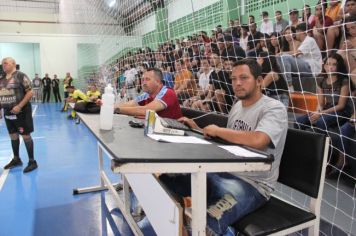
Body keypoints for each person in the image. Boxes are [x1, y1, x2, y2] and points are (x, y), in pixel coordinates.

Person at [159, 59, 288, 235]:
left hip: (253, 184)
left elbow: (259, 139)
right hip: (224, 171)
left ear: (259, 81)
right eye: (233, 79)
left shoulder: (274, 108)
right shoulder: (237, 106)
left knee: (203, 224)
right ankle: (175, 223)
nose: (237, 83)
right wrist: (197, 129)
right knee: (166, 179)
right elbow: (230, 141)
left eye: (244, 78)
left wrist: (219, 130)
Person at [295, 53, 351, 133]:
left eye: (334, 65)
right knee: (299, 121)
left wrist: (321, 113)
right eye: (328, 64)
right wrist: (317, 112)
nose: (330, 67)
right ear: (324, 66)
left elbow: (341, 105)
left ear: (339, 66)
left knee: (321, 122)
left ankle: (324, 143)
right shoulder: (321, 80)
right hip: (326, 109)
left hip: (341, 111)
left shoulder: (344, 81)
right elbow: (321, 103)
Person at [0, 57, 38, 173]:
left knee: (25, 135)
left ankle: (32, 162)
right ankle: (16, 159)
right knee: (13, 135)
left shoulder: (21, 76)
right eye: (2, 64)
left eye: (6, 63)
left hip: (22, 112)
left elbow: (30, 92)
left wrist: (19, 106)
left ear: (13, 64)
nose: (3, 65)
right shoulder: (1, 79)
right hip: (7, 112)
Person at [114, 68, 182, 119]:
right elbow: (130, 104)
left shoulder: (168, 92)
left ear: (158, 82)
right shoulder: (147, 95)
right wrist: (110, 107)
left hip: (176, 134)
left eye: (147, 79)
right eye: (143, 80)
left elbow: (146, 111)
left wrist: (116, 109)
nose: (143, 83)